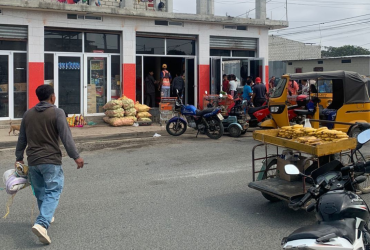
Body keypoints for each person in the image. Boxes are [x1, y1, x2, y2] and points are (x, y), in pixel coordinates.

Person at [15, 85, 84, 245]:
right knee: (53, 190)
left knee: (40, 191)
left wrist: (19, 157)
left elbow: (21, 139)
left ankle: (46, 215)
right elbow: (66, 137)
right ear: (52, 97)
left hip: (33, 161)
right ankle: (42, 223)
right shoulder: (57, 112)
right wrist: (76, 156)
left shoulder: (28, 114)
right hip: (50, 160)